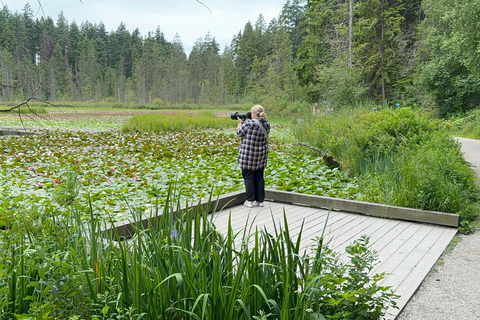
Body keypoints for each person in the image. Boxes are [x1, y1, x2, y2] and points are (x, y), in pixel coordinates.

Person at [236, 105, 270, 208]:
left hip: (249, 156)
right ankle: (260, 200)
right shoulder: (267, 124)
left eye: (251, 113)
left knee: (248, 177)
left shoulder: (249, 124)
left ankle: (250, 200)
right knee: (259, 176)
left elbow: (239, 133)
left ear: (254, 114)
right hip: (261, 156)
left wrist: (240, 123)